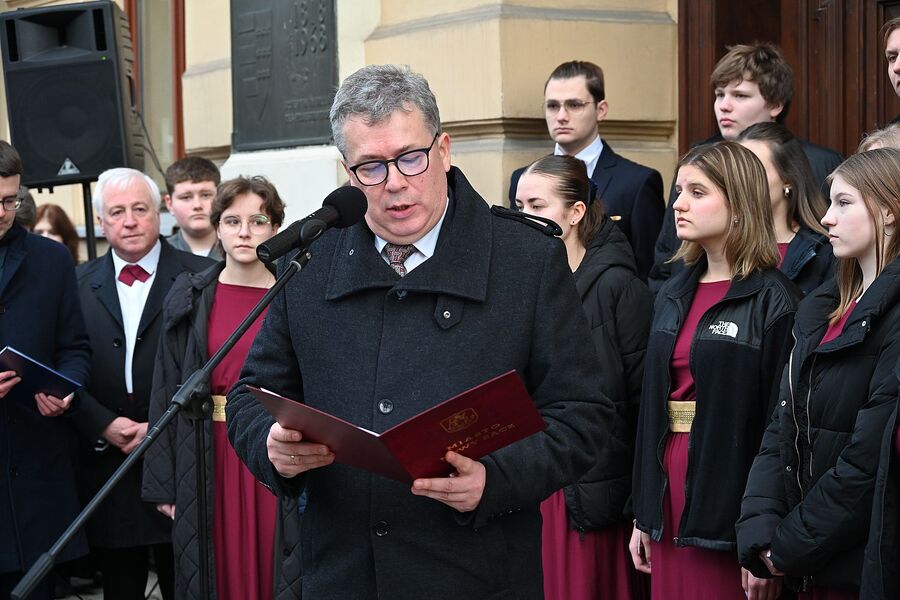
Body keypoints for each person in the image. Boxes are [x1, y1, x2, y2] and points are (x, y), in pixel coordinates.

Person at [225, 64, 613, 600]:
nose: (396, 184)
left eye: (411, 157)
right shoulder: (312, 260)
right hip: (342, 573)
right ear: (348, 172)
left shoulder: (526, 259)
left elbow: (583, 415)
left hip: (475, 572)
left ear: (444, 150)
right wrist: (271, 447)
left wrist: (495, 479)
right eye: (371, 168)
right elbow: (252, 398)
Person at [629, 141, 800, 599]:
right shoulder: (671, 292)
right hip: (668, 488)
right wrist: (643, 512)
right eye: (680, 190)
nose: (679, 204)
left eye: (698, 192)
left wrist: (766, 530)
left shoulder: (775, 299)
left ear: (740, 204)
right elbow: (649, 410)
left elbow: (781, 423)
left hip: (732, 489)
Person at [738, 148, 900, 600]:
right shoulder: (823, 309)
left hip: (857, 568)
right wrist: (761, 532)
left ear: (889, 211)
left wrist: (785, 547)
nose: (826, 218)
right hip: (803, 565)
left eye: (844, 203)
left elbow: (867, 461)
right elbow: (781, 427)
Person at [142, 176, 301, 600]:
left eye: (258, 220)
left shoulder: (295, 293)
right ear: (217, 228)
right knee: (213, 568)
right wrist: (164, 483)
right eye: (232, 221)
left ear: (276, 228)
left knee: (280, 564)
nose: (244, 231)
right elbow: (165, 390)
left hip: (273, 447)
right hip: (205, 451)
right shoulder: (191, 296)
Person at [72, 167, 214, 600]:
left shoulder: (203, 275)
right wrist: (101, 423)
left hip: (178, 456)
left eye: (139, 209)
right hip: (107, 460)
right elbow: (64, 363)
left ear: (160, 213)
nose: (129, 221)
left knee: (186, 581)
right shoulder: (76, 283)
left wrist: (159, 425)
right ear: (101, 223)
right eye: (117, 212)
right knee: (120, 584)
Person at [515, 154, 652, 600]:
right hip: (529, 480)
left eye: (537, 205)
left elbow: (639, 401)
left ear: (575, 213)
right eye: (518, 207)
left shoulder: (618, 286)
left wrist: (638, 505)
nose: (524, 218)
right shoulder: (520, 285)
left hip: (591, 489)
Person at [649, 42, 843, 292]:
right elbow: (667, 256)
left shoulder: (819, 164)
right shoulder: (697, 162)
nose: (724, 106)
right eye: (719, 94)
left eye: (740, 95)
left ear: (775, 104)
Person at [0, 141, 91, 600]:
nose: (1, 211)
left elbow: (74, 346)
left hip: (35, 469)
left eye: (9, 200)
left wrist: (65, 389)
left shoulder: (50, 259)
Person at [507, 60, 665, 280]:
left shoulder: (637, 183)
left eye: (574, 105)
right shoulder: (522, 180)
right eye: (553, 106)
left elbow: (650, 271)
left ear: (601, 110)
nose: (561, 115)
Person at [737, 122, 834, 295]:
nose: (741, 180)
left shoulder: (824, 253)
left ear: (787, 179)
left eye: (754, 170)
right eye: (735, 171)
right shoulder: (719, 247)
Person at [164, 156, 224, 259]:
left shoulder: (238, 251)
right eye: (186, 197)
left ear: (220, 197)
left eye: (206, 195)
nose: (197, 205)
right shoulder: (159, 255)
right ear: (170, 204)